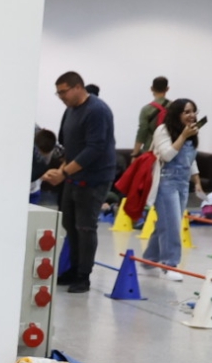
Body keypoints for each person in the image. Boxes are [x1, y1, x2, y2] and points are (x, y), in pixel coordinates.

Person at [43, 72, 116, 293]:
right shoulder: (70, 111)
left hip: (94, 179)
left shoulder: (97, 111)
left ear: (78, 87)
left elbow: (94, 149)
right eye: (58, 93)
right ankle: (74, 269)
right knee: (70, 225)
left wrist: (64, 173)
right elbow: (69, 146)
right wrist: (61, 169)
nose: (61, 97)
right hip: (73, 177)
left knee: (85, 227)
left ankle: (84, 276)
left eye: (63, 92)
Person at [140, 98, 203, 280]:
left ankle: (150, 259)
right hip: (166, 182)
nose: (192, 115)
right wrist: (183, 136)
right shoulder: (163, 130)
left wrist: (197, 181)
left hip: (183, 184)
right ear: (176, 114)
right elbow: (167, 155)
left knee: (166, 223)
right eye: (187, 112)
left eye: (193, 111)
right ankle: (170, 264)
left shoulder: (192, 132)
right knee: (173, 225)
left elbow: (191, 160)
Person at [132, 76, 169, 170]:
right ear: (167, 89)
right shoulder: (174, 107)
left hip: (150, 150)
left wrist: (135, 154)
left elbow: (142, 132)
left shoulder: (146, 109)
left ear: (152, 89)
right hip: (169, 148)